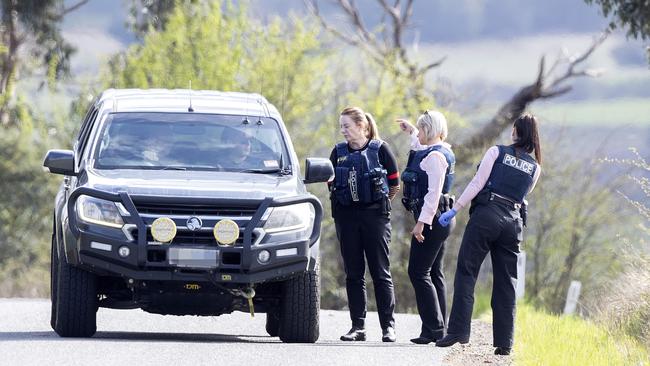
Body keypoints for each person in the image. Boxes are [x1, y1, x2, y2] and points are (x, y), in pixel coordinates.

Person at [435, 113, 542, 356]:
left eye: (514, 129)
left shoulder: (497, 152)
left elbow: (477, 183)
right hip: (512, 224)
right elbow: (522, 197)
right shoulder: (535, 168)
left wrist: (454, 210)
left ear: (517, 131)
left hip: (486, 216)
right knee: (507, 283)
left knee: (467, 270)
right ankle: (505, 342)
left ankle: (458, 332)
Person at [329, 106, 400, 342]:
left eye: (347, 126)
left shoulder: (380, 149)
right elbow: (331, 184)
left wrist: (378, 206)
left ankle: (387, 327)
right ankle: (357, 327)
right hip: (347, 218)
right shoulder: (337, 152)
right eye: (341, 126)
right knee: (353, 274)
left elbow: (394, 184)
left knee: (380, 272)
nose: (343, 131)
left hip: (375, 218)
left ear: (362, 126)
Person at [396, 110, 456, 344]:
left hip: (432, 218)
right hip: (441, 218)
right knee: (434, 273)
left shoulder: (435, 158)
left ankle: (436, 328)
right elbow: (420, 148)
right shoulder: (443, 151)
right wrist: (411, 131)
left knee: (418, 272)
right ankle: (432, 330)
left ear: (430, 131)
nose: (418, 133)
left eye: (422, 129)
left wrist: (421, 223)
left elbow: (433, 195)